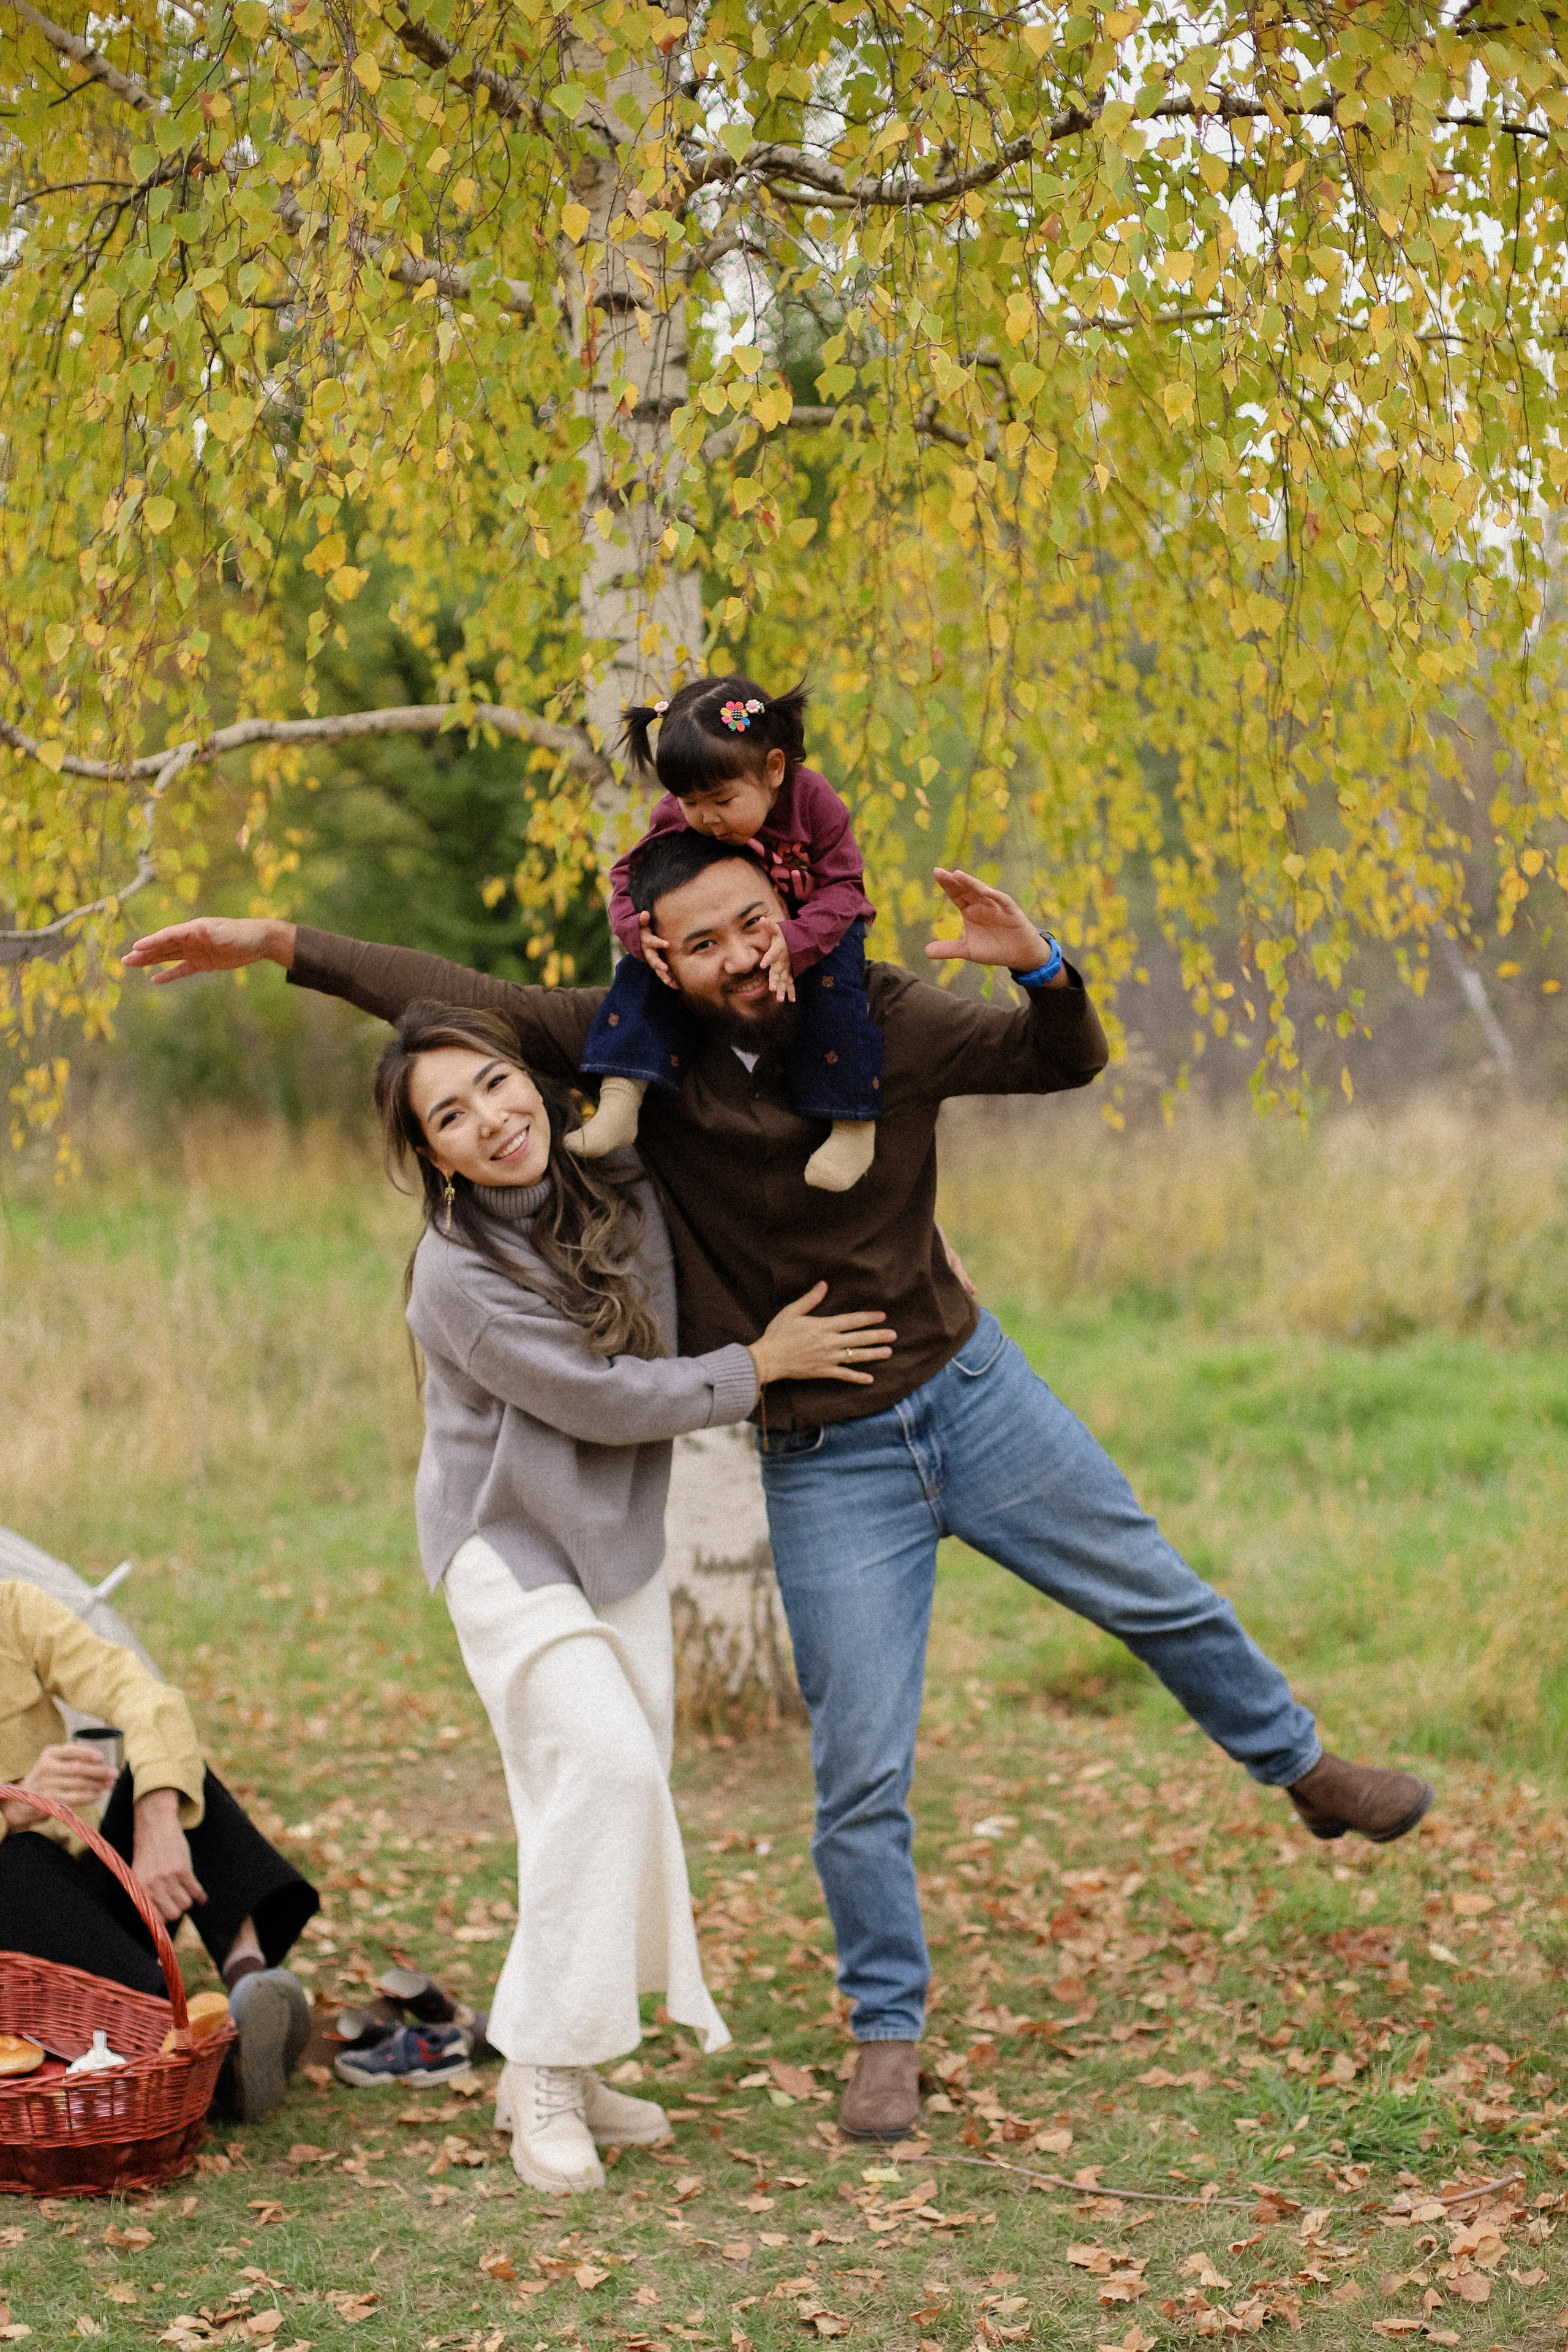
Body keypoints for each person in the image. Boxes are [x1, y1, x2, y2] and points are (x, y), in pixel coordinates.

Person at [125, 846, 1435, 2145]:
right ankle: (883, 2037)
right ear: (662, 960)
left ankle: (1304, 1767)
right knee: (857, 1764)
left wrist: (1037, 966)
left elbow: (1060, 1059)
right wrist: (277, 944)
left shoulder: (880, 1012)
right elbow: (445, 998)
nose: (744, 955)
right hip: (824, 1456)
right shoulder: (625, 1054)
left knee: (1158, 1592)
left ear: (788, 912)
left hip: (972, 1391)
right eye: (704, 942)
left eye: (756, 922)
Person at [366, 1000, 895, 2190]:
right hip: (506, 1553)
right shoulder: (453, 1275)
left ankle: (567, 2060)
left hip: (616, 1542)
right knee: (602, 1773)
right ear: (432, 1156)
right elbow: (601, 1396)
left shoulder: (619, 1180)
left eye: (495, 1086)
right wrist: (755, 1371)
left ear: (533, 1080)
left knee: (601, 1802)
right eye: (450, 1116)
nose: (491, 1120)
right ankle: (543, 2073)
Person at [0, 1578, 317, 2121]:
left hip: (83, 1894)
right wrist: (11, 1808)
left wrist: (157, 1814)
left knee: (168, 1771)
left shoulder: (11, 1608)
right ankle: (196, 2064)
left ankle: (250, 1990)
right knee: (17, 1861)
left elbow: (144, 1693)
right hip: (17, 1947)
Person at [578, 674, 883, 1194]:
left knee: (838, 994)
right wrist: (636, 931)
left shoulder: (813, 803)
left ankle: (852, 1124)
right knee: (647, 964)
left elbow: (845, 886)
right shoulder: (678, 814)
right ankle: (621, 1092)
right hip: (728, 928)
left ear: (773, 769)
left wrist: (799, 937)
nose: (706, 819)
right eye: (691, 803)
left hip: (821, 922)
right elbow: (630, 875)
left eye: (720, 800)